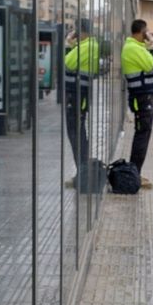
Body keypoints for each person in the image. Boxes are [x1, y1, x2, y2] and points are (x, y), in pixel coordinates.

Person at [122, 20, 153, 186]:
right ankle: (135, 174)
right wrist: (152, 49)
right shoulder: (133, 48)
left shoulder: (136, 47)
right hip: (142, 98)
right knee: (142, 135)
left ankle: (135, 172)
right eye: (146, 31)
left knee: (142, 134)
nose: (147, 34)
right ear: (141, 31)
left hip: (143, 97)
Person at [62, 20, 98, 184]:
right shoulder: (86, 46)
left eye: (77, 31)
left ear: (82, 32)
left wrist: (68, 45)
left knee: (76, 133)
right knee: (78, 132)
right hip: (78, 94)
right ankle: (82, 172)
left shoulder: (88, 46)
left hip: (77, 95)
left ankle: (83, 173)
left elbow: (67, 63)